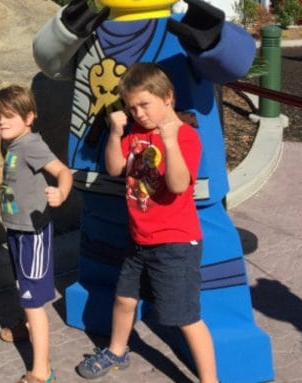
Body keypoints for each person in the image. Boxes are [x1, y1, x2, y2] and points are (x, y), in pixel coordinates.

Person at [33, 0, 272, 381]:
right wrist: (67, 24)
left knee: (209, 259)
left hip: (184, 185)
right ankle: (106, 315)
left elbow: (239, 60)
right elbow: (47, 60)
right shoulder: (87, 30)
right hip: (104, 170)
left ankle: (223, 334)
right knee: (104, 251)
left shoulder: (186, 33)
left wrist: (209, 30)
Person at [74, 63, 217, 382]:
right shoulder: (135, 134)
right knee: (124, 299)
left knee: (186, 318)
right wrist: (114, 132)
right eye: (131, 107)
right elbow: (113, 168)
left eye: (144, 105)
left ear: (168, 97)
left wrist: (169, 141)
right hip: (139, 240)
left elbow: (179, 185)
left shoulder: (186, 136)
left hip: (175, 244)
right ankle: (116, 350)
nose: (138, 113)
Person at [0, 84, 74, 383]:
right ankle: (25, 328)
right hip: (17, 231)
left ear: (29, 118)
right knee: (24, 287)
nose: (1, 122)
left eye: (8, 116)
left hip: (32, 234)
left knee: (33, 299)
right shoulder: (14, 145)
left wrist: (61, 193)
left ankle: (43, 371)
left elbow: (64, 171)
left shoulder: (31, 145)